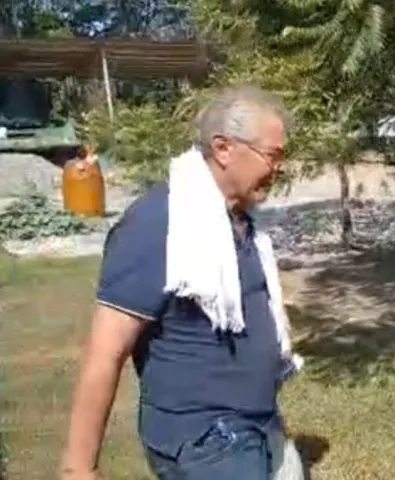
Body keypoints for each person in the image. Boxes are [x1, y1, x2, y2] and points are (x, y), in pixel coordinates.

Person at [60, 85, 304, 480]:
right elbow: (105, 350)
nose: (278, 169)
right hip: (203, 439)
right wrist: (78, 468)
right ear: (223, 148)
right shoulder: (160, 224)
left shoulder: (237, 222)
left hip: (256, 423)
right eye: (271, 156)